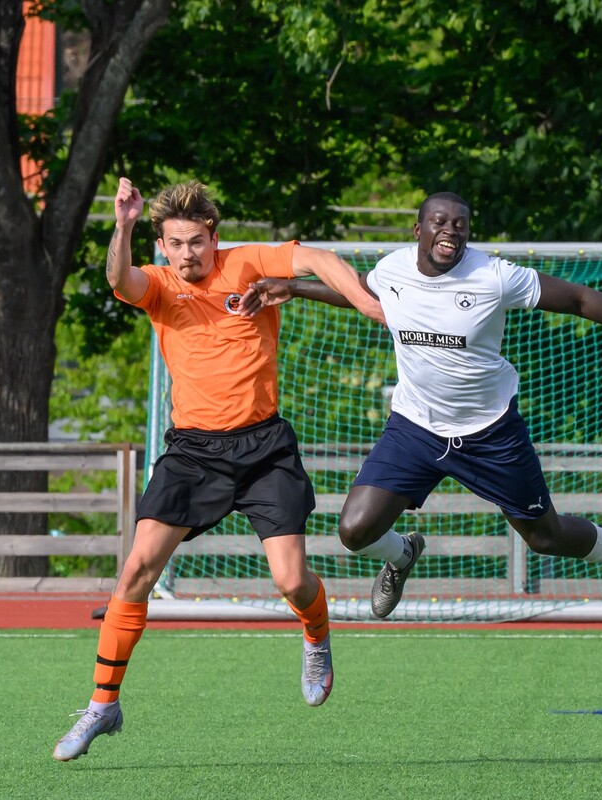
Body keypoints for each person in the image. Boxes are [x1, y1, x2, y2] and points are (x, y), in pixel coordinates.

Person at [240, 191, 602, 620]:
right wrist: (295, 287)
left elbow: (579, 299)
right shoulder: (393, 269)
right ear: (418, 230)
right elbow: (359, 293)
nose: (450, 230)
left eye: (460, 224)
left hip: (489, 432)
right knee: (355, 530)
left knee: (546, 538)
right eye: (439, 221)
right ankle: (403, 555)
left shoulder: (494, 276)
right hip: (415, 428)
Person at [52, 177, 384, 762]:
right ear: (162, 246)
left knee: (291, 581)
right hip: (193, 454)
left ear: (213, 236)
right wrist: (122, 225)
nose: (187, 254)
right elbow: (118, 280)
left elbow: (317, 258)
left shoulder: (247, 263)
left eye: (196, 242)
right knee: (136, 571)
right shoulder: (158, 284)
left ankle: (316, 634)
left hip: (264, 449)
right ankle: (103, 705)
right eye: (175, 244)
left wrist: (365, 302)